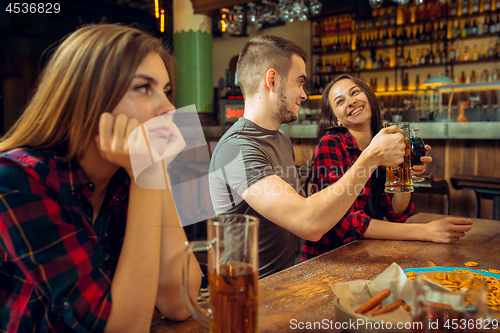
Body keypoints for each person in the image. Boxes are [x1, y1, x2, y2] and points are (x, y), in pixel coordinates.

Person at [0, 24, 201, 333]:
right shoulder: (15, 179)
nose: (169, 108)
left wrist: (154, 169)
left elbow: (180, 302)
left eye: (166, 90)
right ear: (88, 97)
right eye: (143, 88)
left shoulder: (122, 175)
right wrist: (145, 171)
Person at [209, 35, 413, 278]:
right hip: (247, 293)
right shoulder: (237, 148)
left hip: (285, 279)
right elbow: (308, 224)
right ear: (272, 80)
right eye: (300, 81)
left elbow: (305, 206)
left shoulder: (280, 139)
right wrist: (370, 158)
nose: (304, 94)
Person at [302, 74, 473, 261]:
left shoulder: (387, 140)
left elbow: (398, 213)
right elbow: (345, 221)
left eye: (355, 92)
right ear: (336, 120)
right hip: (330, 259)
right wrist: (425, 231)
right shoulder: (331, 144)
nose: (351, 102)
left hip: (368, 251)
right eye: (340, 101)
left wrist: (404, 172)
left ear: (368, 96)